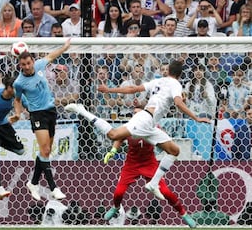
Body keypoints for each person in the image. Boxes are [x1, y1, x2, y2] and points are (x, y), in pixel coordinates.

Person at [64, 60, 210, 200]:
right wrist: (196, 118)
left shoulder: (158, 81)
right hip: (144, 120)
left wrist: (109, 89)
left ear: (169, 71)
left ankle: (153, 184)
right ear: (180, 74)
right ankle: (81, 110)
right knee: (113, 134)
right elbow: (178, 102)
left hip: (150, 125)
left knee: (174, 151)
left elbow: (132, 89)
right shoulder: (176, 84)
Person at [103, 107, 197, 228]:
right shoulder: (129, 127)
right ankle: (115, 208)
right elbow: (119, 138)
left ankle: (184, 214)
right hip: (131, 164)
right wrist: (113, 150)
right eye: (134, 114)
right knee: (118, 193)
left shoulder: (153, 128)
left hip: (149, 164)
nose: (136, 116)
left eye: (139, 114)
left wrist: (163, 148)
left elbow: (165, 141)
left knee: (166, 192)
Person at [13, 39, 71, 201]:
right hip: (37, 115)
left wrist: (65, 47)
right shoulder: (19, 82)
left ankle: (33, 183)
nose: (27, 66)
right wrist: (18, 114)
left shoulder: (39, 66)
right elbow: (17, 100)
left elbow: (52, 56)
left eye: (28, 63)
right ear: (20, 65)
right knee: (45, 149)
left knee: (46, 151)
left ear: (32, 61)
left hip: (51, 112)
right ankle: (53, 187)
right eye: (23, 64)